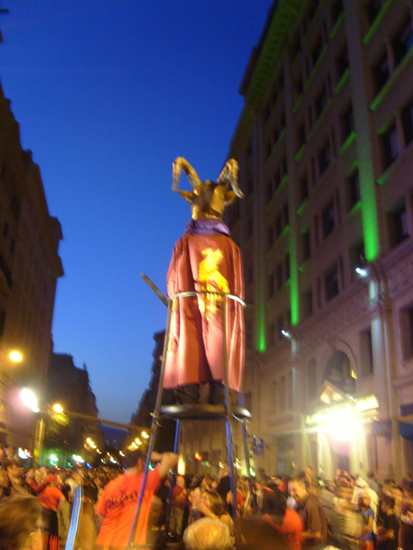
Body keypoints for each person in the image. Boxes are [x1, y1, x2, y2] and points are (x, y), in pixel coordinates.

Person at [164, 157, 244, 404]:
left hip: (190, 314)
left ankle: (189, 387)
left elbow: (172, 284)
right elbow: (238, 291)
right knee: (221, 332)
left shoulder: (184, 244)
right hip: (222, 311)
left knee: (190, 332)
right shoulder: (231, 248)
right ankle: (222, 386)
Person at [95, 450, 178, 549]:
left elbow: (100, 517)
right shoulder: (145, 481)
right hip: (131, 544)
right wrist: (158, 456)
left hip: (106, 542)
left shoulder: (110, 486)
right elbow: (173, 457)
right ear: (140, 462)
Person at [288, 473, 328, 550]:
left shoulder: (311, 504)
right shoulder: (299, 502)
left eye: (294, 490)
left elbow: (316, 533)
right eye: (289, 491)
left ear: (303, 487)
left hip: (314, 547)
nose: (292, 494)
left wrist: (293, 535)